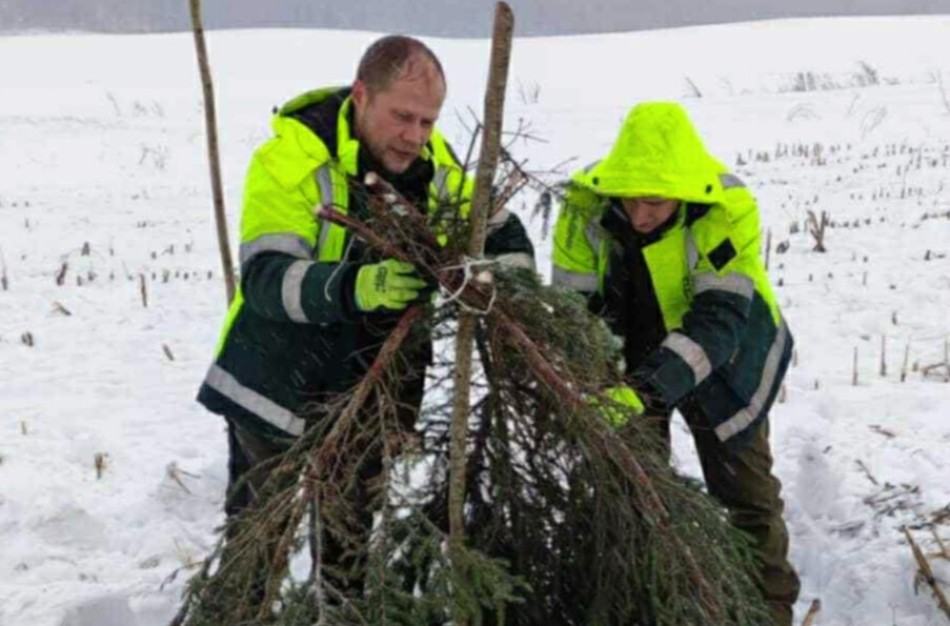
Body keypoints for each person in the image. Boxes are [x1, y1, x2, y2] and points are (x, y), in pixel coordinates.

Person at [197, 35, 534, 593]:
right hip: (276, 385)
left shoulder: (436, 167)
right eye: (403, 116)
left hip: (371, 392)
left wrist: (501, 279)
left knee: (349, 543)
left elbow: (502, 233)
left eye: (428, 121)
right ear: (361, 96)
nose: (415, 136)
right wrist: (357, 285)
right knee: (258, 541)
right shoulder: (292, 160)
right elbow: (265, 281)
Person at [552, 102, 800, 625]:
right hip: (630, 356)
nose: (640, 215)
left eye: (656, 203)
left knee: (746, 496)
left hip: (728, 362)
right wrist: (602, 382)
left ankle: (767, 611)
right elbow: (573, 310)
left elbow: (718, 322)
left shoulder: (724, 209)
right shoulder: (583, 210)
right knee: (632, 488)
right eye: (632, 199)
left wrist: (647, 390)